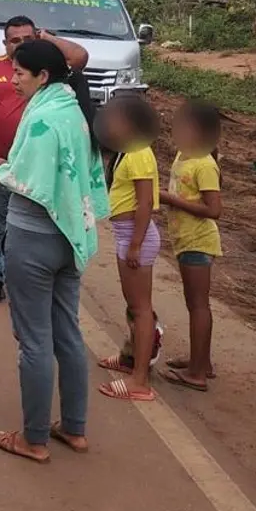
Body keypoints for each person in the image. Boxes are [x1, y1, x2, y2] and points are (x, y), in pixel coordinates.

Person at [0, 39, 110, 464]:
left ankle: (33, 438)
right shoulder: (73, 111)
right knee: (67, 332)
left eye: (21, 73)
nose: (13, 80)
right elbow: (53, 170)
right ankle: (75, 427)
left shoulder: (44, 115)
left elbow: (30, 179)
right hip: (69, 237)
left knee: (34, 340)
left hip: (34, 239)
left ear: (43, 76)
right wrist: (6, 167)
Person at [0, 15, 90, 304]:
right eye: (15, 40)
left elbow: (80, 57)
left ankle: (22, 275)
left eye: (29, 38)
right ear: (5, 43)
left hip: (37, 171)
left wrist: (47, 38)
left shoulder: (48, 69)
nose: (22, 44)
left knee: (24, 226)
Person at [94, 95, 163, 402]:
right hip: (127, 233)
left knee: (141, 308)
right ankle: (131, 359)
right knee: (133, 305)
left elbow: (145, 202)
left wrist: (135, 243)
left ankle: (140, 380)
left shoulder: (139, 154)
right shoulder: (127, 151)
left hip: (137, 235)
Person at [160, 102, 225, 391]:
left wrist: (170, 200)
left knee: (198, 304)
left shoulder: (205, 164)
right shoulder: (185, 156)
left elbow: (214, 210)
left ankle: (197, 373)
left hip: (198, 241)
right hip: (184, 239)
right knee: (193, 303)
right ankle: (201, 361)